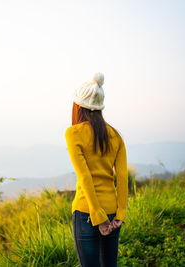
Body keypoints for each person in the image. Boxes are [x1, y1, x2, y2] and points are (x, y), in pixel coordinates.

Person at [65, 72, 128, 267]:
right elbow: (123, 177)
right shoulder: (115, 135)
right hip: (112, 211)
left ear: (78, 106)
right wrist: (120, 214)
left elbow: (85, 177)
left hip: (86, 212)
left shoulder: (73, 133)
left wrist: (98, 216)